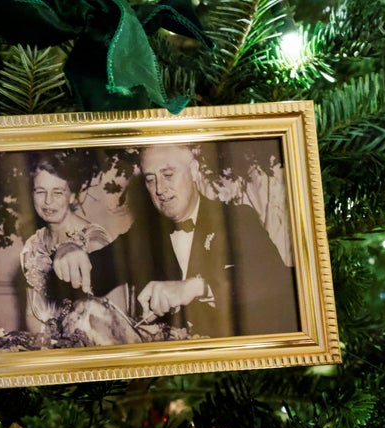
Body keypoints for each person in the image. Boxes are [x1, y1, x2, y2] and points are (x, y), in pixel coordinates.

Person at [51, 144, 299, 338]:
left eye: (168, 174)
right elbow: (94, 274)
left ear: (193, 171)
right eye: (150, 179)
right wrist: (69, 249)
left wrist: (195, 287)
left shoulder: (236, 219)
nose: (160, 189)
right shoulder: (146, 236)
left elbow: (276, 283)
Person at [19, 155, 112, 333]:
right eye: (40, 191)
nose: (48, 201)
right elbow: (31, 315)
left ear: (72, 196)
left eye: (58, 192)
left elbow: (112, 322)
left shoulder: (94, 239)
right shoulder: (33, 246)